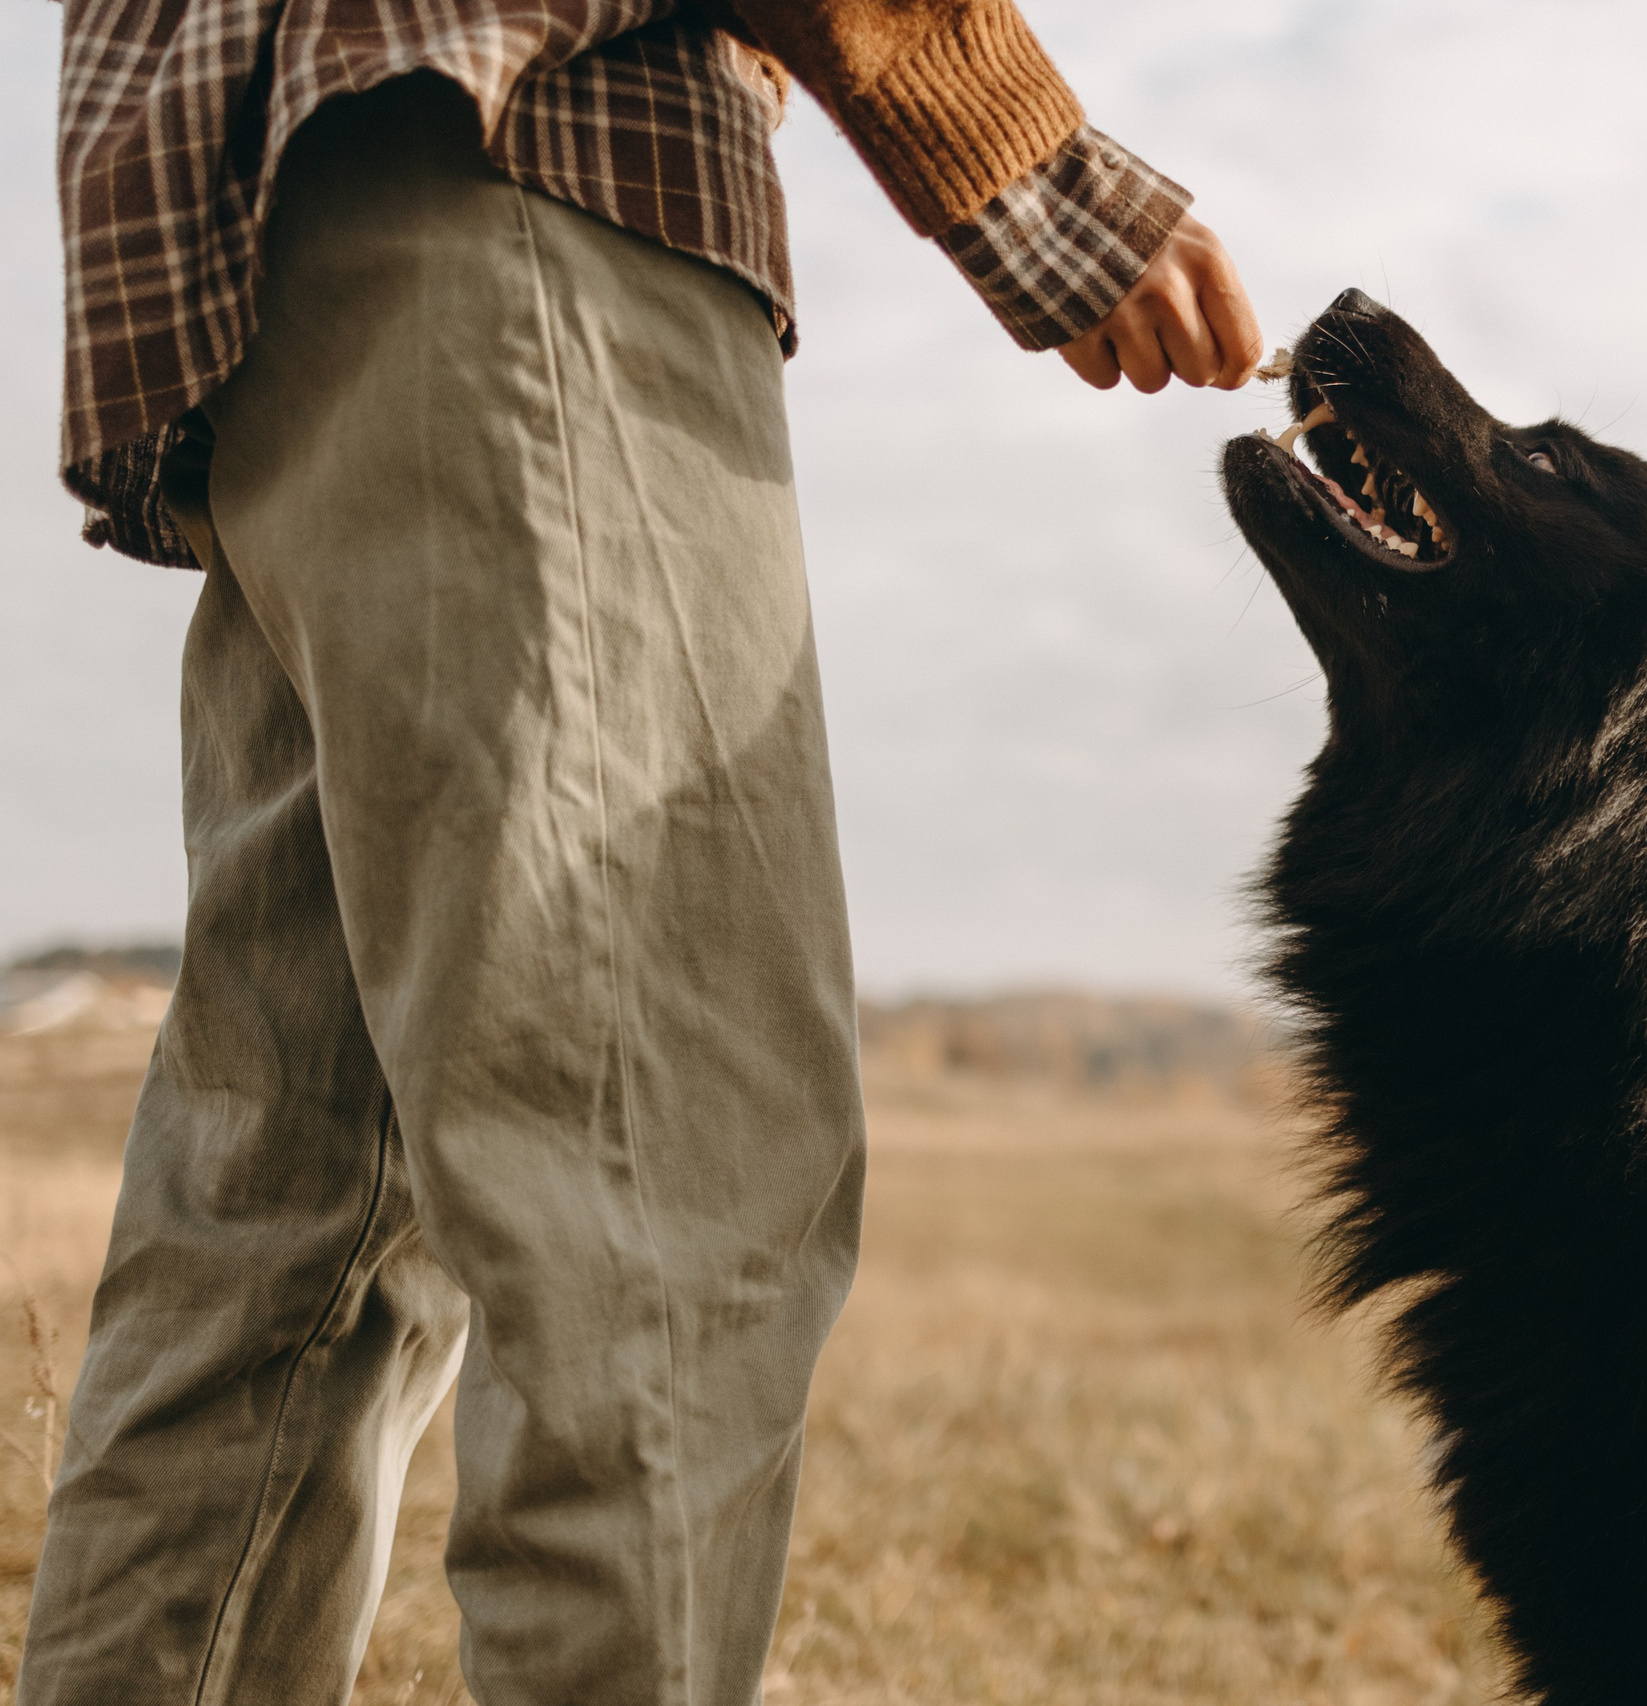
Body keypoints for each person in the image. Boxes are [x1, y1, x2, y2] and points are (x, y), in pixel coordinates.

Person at [23, 3, 1260, 1702]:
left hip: (277, 227)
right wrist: (1038, 168)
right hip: (541, 164)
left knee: (292, 1211)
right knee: (664, 1193)